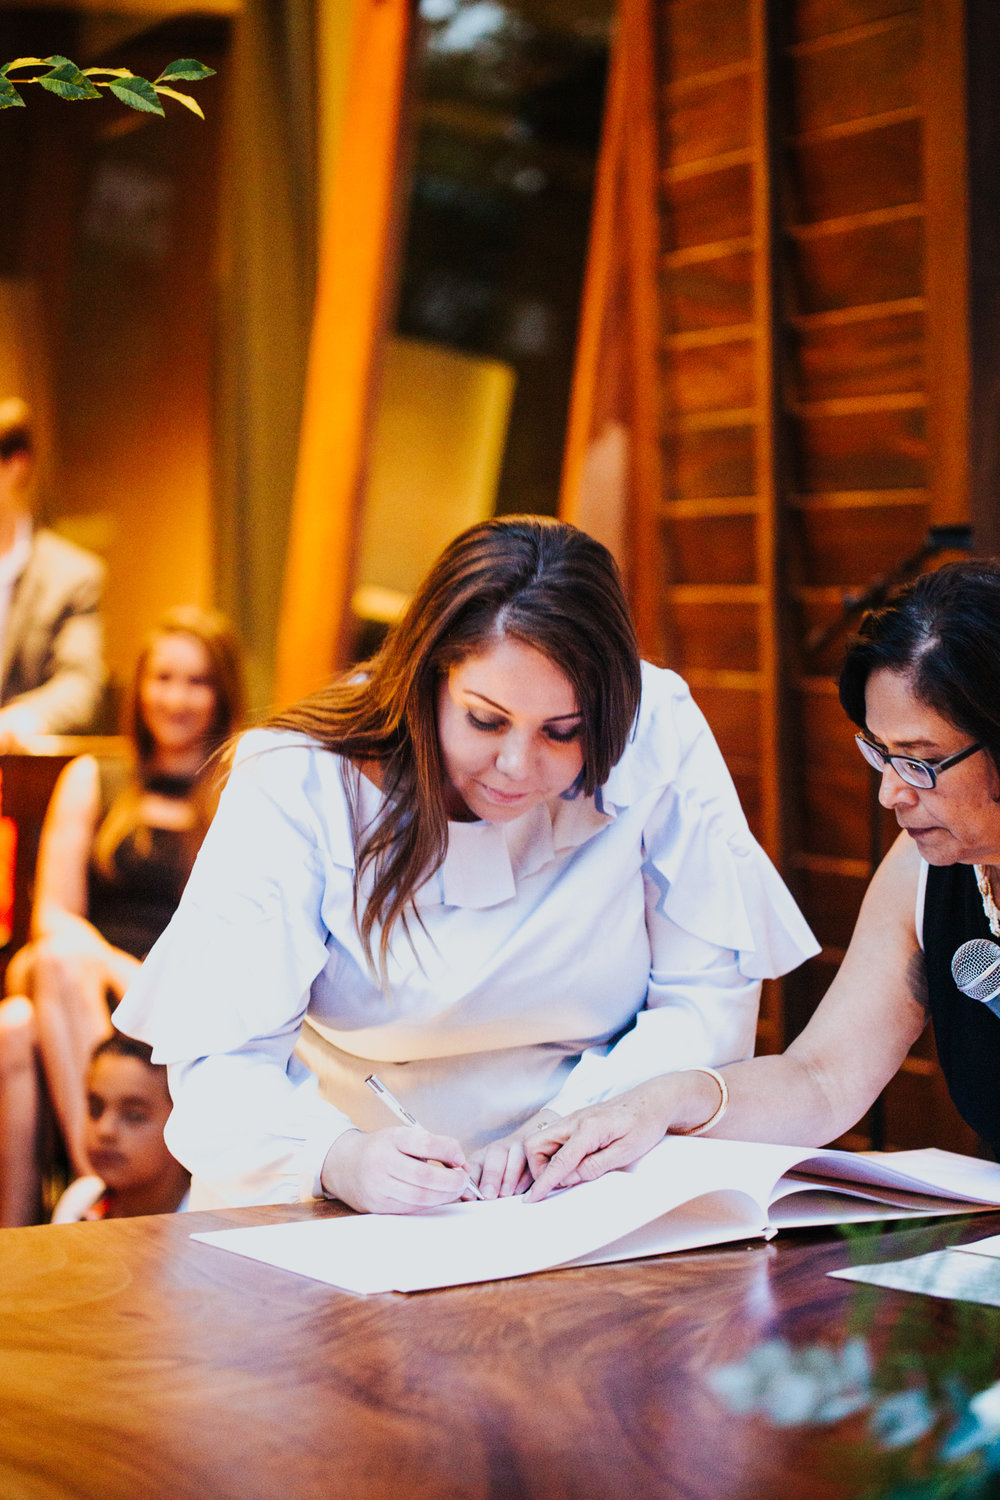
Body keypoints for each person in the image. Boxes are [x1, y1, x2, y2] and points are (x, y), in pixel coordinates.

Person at [114, 516, 818, 1215]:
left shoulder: (656, 729)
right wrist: (334, 1157)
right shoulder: (298, 776)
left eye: (563, 732)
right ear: (427, 679)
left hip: (592, 1183)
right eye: (485, 720)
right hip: (324, 1195)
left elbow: (706, 1004)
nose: (517, 765)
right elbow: (220, 1065)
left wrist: (576, 1126)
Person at [523, 558, 1000, 1199]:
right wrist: (663, 1101)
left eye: (922, 763)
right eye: (881, 756)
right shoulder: (924, 872)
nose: (890, 794)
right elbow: (823, 1079)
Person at [0, 604, 245, 1225]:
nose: (176, 697)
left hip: (181, 1001)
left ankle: (29, 1228)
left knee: (13, 1030)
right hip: (82, 974)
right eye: (162, 678)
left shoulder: (241, 790)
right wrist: (121, 970)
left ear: (222, 694)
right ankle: (103, 1187)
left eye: (197, 681)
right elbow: (53, 914)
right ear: (139, 687)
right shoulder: (96, 777)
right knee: (57, 958)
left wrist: (157, 986)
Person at [0, 397, 106, 746]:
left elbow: (80, 684)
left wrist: (23, 718)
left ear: (15, 465)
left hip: (17, 775)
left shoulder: (72, 575)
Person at [50, 1033, 191, 1221]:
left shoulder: (209, 1217)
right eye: (95, 1109)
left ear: (182, 1122)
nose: (104, 1130)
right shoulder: (79, 1203)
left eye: (134, 1115)